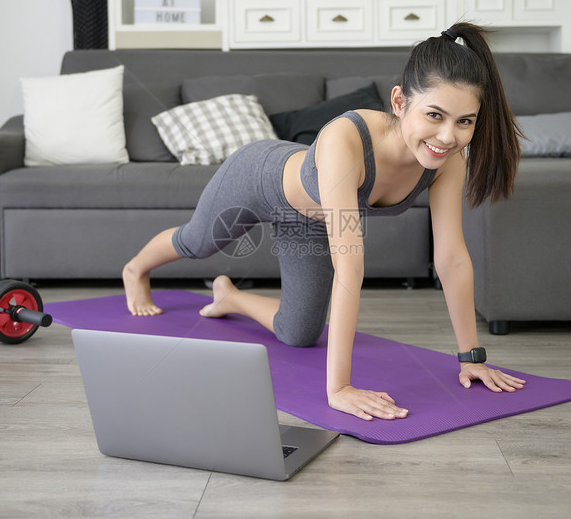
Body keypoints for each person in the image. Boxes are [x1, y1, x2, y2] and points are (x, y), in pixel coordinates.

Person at [123, 22, 526, 422]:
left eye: (464, 121)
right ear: (400, 102)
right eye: (435, 115)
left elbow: (452, 259)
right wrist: (339, 388)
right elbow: (350, 263)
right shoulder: (347, 138)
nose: (447, 135)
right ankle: (135, 269)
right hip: (257, 178)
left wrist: (471, 358)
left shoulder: (447, 160)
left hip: (309, 218)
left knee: (298, 333)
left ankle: (229, 298)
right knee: (198, 243)